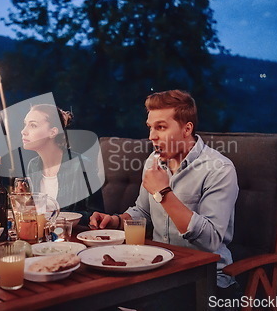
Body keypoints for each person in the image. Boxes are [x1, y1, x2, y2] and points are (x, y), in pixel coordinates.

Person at [89, 90, 240, 294]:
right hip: (159, 270)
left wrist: (164, 192)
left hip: (206, 278)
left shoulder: (219, 169)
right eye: (150, 127)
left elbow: (210, 240)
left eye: (161, 127)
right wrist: (115, 221)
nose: (152, 136)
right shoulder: (153, 161)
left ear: (187, 129)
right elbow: (142, 212)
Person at [21, 104, 103, 225]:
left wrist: (53, 215)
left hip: (72, 238)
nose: (23, 131)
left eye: (33, 125)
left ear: (53, 132)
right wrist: (27, 202)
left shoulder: (81, 165)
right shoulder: (33, 166)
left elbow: (97, 215)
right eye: (25, 124)